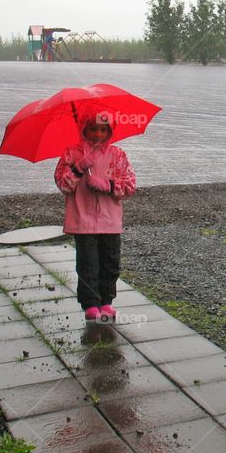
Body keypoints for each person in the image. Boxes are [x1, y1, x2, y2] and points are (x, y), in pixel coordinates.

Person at [54, 112, 136, 321]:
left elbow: (129, 185)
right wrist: (77, 168)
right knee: (87, 264)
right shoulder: (72, 154)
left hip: (110, 220)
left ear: (109, 131)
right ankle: (90, 304)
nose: (97, 134)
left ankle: (106, 301)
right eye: (93, 129)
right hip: (82, 220)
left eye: (103, 129)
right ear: (84, 130)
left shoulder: (118, 155)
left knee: (110, 263)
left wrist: (108, 185)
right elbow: (64, 185)